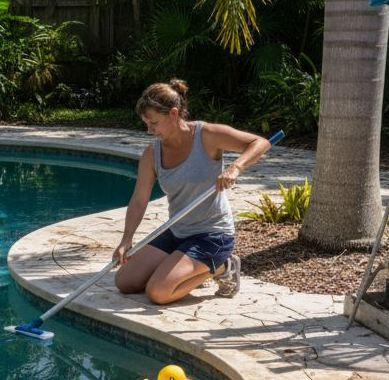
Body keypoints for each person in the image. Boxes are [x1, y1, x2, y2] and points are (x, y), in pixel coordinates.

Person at [113, 79, 272, 305]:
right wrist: (126, 239)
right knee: (125, 282)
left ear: (173, 113)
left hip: (212, 234)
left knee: (158, 292)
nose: (150, 131)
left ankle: (223, 267)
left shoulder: (206, 135)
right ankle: (180, 265)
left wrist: (235, 167)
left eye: (154, 123)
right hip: (177, 230)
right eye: (147, 124)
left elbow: (260, 142)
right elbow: (139, 200)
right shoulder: (152, 154)